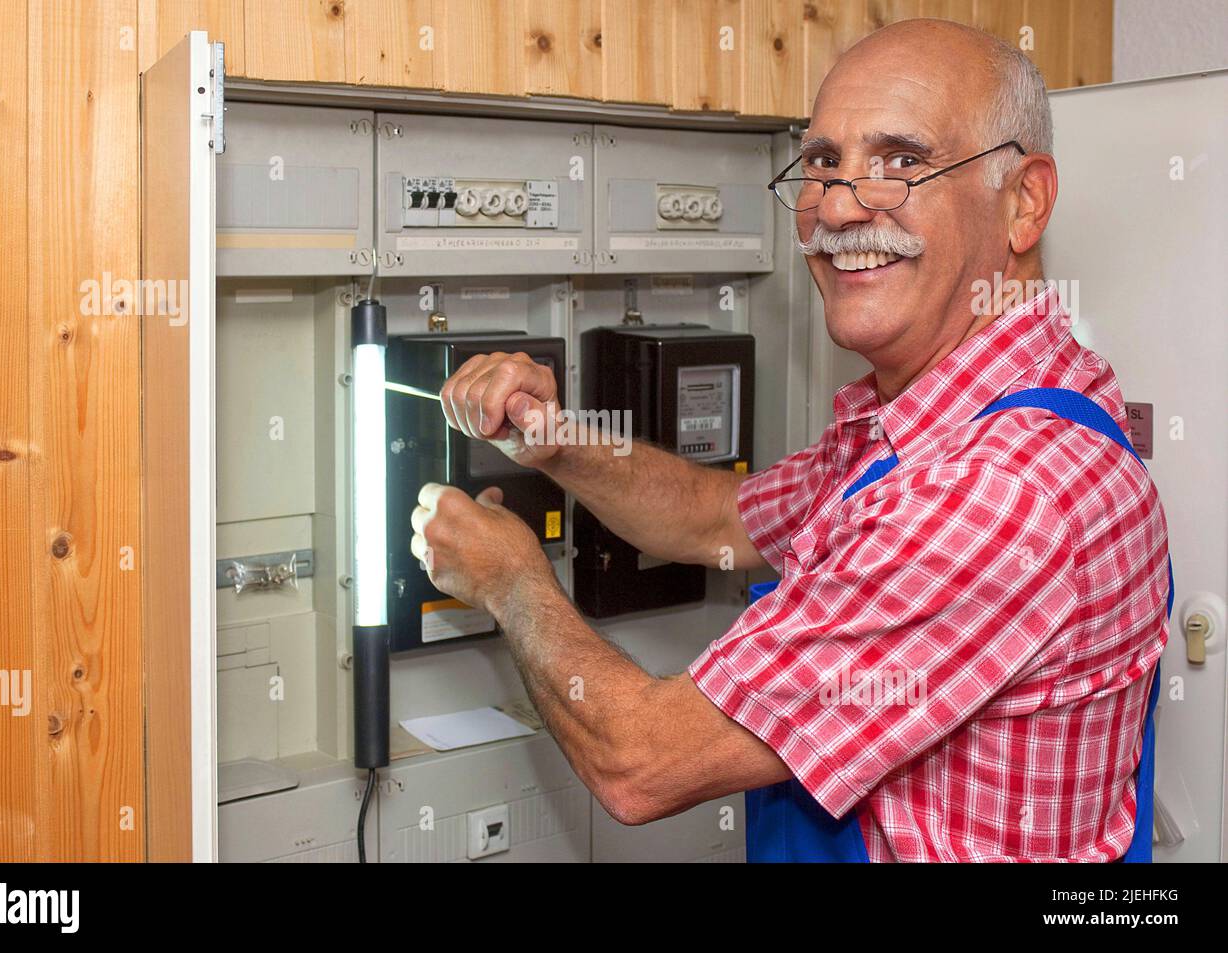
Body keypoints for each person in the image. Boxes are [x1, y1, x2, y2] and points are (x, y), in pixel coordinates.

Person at [408, 18, 1169, 862]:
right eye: (822, 163)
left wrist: (510, 576)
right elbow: (720, 519)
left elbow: (641, 761)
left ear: (1024, 200)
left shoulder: (993, 490)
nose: (840, 207)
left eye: (903, 162)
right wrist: (553, 442)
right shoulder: (958, 415)